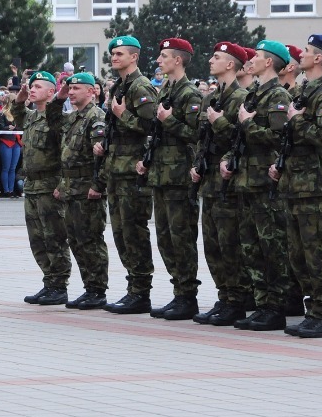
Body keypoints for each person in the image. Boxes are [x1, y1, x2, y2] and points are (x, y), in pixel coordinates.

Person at [269, 34, 322, 338]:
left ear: (318, 59)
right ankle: (313, 311)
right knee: (299, 256)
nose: (301, 54)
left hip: (315, 187)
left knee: (319, 254)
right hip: (295, 184)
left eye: (308, 51)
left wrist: (299, 121)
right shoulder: (303, 91)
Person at [227, 40, 294, 331]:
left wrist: (248, 124)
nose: (250, 60)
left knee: (272, 246)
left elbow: (279, 137)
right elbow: (239, 138)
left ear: (269, 62)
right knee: (251, 247)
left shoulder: (278, 95)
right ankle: (261, 303)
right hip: (246, 180)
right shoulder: (254, 94)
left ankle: (276, 307)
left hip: (265, 182)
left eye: (256, 56)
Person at [140, 38, 202, 321]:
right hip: (161, 175)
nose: (158, 60)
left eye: (164, 56)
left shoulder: (190, 93)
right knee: (165, 238)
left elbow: (196, 134)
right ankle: (179, 292)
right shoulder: (166, 89)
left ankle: (188, 297)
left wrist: (169, 120)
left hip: (179, 177)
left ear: (178, 60)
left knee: (182, 238)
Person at [97, 36, 158, 315]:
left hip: (133, 171)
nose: (114, 57)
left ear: (134, 57)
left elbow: (151, 126)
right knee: (121, 233)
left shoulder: (140, 86)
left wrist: (122, 115)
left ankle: (141, 291)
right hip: (116, 169)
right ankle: (133, 287)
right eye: (113, 53)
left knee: (134, 231)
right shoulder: (119, 86)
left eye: (120, 53)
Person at [190, 42, 249, 326]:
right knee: (212, 245)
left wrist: (220, 122)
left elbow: (242, 138)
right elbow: (202, 139)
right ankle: (224, 296)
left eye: (217, 57)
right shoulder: (211, 98)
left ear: (231, 64)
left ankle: (236, 300)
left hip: (228, 182)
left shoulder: (241, 98)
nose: (211, 60)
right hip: (209, 180)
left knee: (229, 244)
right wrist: (196, 164)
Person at [14, 71, 71, 305]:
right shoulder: (31, 117)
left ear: (51, 92)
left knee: (54, 237)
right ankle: (49, 281)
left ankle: (59, 285)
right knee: (37, 238)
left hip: (50, 185)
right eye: (32, 86)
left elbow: (66, 153)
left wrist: (63, 184)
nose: (33, 89)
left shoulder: (57, 119)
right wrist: (20, 98)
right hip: (32, 185)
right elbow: (17, 114)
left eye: (38, 86)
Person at [53, 72, 109, 309]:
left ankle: (97, 289)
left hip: (87, 189)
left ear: (91, 91)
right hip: (71, 188)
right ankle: (89, 287)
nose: (71, 92)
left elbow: (102, 157)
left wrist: (98, 185)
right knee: (76, 240)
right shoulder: (73, 117)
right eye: (70, 88)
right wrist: (62, 185)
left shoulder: (96, 117)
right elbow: (54, 124)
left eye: (77, 88)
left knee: (90, 240)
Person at [0, 99, 23, 198]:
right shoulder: (2, 114)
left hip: (16, 142)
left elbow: (21, 127)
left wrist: (14, 128)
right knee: (6, 168)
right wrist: (9, 128)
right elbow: (1, 127)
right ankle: (5, 190)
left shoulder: (18, 114)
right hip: (5, 142)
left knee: (13, 168)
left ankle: (11, 190)